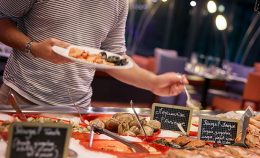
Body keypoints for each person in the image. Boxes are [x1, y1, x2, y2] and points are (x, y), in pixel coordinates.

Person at [0, 0, 188, 107]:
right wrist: (33, 47)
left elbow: (113, 58)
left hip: (77, 109)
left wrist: (154, 82)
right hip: (20, 98)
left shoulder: (118, 3)